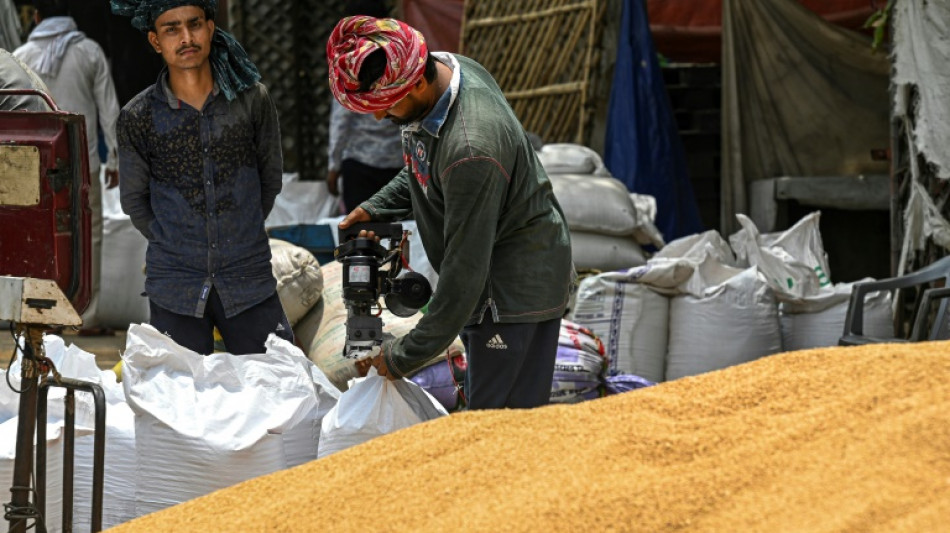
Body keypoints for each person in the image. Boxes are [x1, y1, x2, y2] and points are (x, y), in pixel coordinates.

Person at [327, 16, 575, 409]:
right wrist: (375, 207)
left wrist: (401, 355)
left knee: (500, 429)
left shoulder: (471, 149)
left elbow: (464, 274)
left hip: (510, 293)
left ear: (419, 82)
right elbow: (424, 164)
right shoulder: (449, 68)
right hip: (494, 276)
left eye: (387, 105)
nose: (379, 117)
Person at [111, 0, 293, 355]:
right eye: (171, 29)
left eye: (194, 24)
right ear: (155, 41)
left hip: (248, 280)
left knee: (278, 388)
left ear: (210, 28)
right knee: (180, 400)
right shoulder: (138, 116)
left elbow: (269, 179)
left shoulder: (251, 100)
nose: (185, 37)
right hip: (175, 285)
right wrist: (177, 241)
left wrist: (238, 229)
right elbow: (135, 201)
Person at [14, 0, 121, 335]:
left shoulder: (21, 56)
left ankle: (35, 315)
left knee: (35, 234)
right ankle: (87, 317)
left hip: (31, 165)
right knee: (89, 238)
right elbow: (110, 110)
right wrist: (114, 158)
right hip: (81, 160)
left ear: (36, 17)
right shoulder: (89, 51)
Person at [327, 0, 404, 213]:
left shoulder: (348, 60)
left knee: (359, 235)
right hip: (398, 164)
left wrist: (333, 167)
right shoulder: (400, 54)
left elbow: (341, 121)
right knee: (398, 233)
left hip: (360, 164)